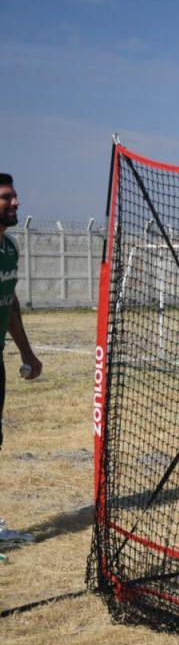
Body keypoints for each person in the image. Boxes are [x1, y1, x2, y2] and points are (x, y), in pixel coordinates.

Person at [0, 174, 42, 545]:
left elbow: (10, 302)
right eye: (6, 197)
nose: (15, 203)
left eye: (15, 196)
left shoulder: (10, 248)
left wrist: (27, 352)